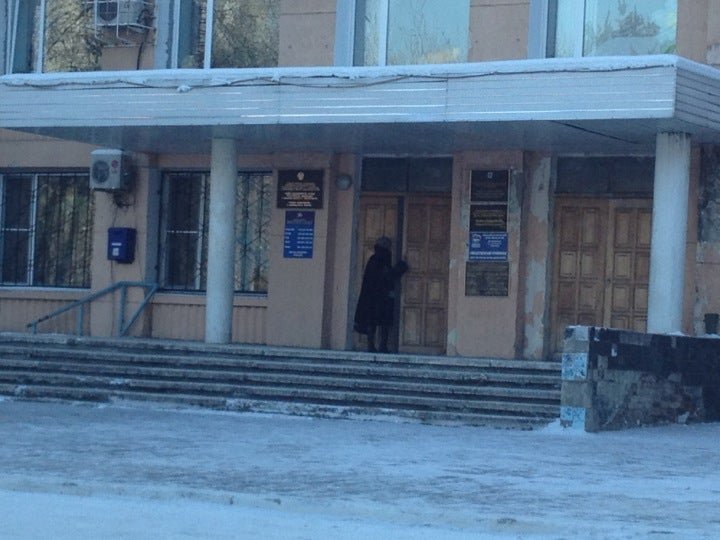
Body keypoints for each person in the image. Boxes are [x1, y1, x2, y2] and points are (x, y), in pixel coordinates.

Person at [354, 236, 408, 353]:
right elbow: (387, 276)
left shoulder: (375, 259)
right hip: (380, 297)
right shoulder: (380, 259)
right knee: (382, 321)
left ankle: (374, 346)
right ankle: (379, 346)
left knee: (374, 321)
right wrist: (399, 269)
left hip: (372, 296)